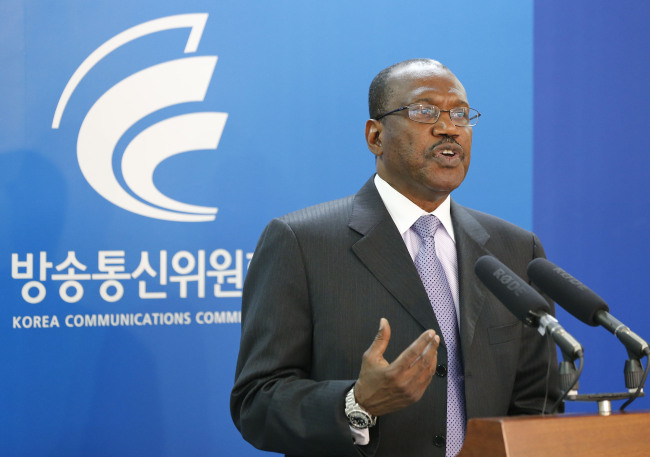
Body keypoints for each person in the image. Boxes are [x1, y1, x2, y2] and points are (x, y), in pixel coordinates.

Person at [230, 58, 561, 457]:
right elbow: (257, 402)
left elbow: (537, 400)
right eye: (424, 111)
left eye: (460, 114)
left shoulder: (515, 250)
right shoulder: (301, 243)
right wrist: (357, 403)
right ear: (375, 137)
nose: (448, 128)